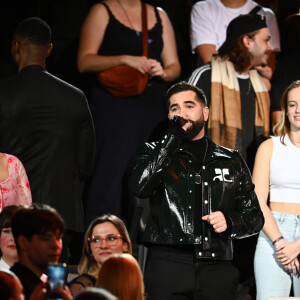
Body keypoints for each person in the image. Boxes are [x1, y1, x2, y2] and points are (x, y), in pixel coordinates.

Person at [129, 81, 264, 299]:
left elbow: (255, 216)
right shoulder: (153, 152)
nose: (182, 113)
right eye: (175, 108)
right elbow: (140, 187)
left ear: (205, 112)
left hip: (217, 266)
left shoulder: (231, 159)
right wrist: (172, 138)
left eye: (189, 106)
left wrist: (230, 222)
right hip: (168, 263)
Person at [0, 17, 95, 262]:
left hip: (8, 219)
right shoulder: (76, 97)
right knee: (53, 291)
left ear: (16, 46)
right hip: (60, 217)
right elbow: (86, 164)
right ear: (50, 49)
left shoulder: (3, 93)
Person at [77, 0, 181, 226]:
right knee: (109, 176)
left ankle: (138, 242)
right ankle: (102, 238)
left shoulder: (158, 14)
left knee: (144, 178)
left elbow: (174, 66)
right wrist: (125, 59)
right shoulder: (102, 11)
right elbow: (84, 61)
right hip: (113, 105)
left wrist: (162, 72)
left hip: (151, 106)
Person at [188, 12, 271, 173]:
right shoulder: (206, 76)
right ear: (247, 41)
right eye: (266, 40)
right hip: (208, 178)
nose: (270, 47)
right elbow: (183, 128)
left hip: (248, 182)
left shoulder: (259, 84)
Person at [253, 80, 300, 300]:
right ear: (285, 109)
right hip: (273, 233)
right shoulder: (269, 147)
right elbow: (258, 202)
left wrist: (297, 246)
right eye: (292, 104)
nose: (298, 110)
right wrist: (281, 243)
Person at [190, 0, 280, 89]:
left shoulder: (265, 14)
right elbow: (211, 60)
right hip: (216, 86)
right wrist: (245, 77)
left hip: (251, 87)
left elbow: (267, 66)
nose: (270, 47)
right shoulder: (203, 8)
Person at [10, 204, 71, 300]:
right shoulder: (8, 287)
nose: (56, 246)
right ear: (23, 242)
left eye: (59, 238)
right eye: (46, 238)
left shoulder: (51, 285)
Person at [78, 214, 132, 279]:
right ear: (89, 248)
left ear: (125, 245)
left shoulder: (138, 284)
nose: (103, 246)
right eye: (96, 240)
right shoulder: (82, 285)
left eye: (111, 238)